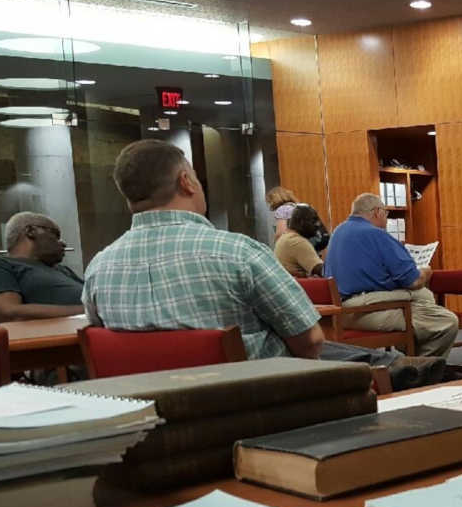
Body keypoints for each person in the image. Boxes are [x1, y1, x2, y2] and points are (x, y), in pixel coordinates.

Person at [84, 141, 328, 361]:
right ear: (186, 182)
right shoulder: (239, 252)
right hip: (258, 401)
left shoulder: (98, 268)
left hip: (148, 406)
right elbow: (311, 342)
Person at [325, 192, 459, 358]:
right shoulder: (376, 234)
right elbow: (413, 280)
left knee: (424, 297)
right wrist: (426, 271)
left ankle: (414, 358)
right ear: (377, 212)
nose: (386, 219)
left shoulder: (337, 233)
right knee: (446, 320)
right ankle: (423, 368)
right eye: (386, 214)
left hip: (339, 312)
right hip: (365, 309)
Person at [0, 211, 85, 322]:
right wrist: (89, 311)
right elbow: (8, 314)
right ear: (31, 231)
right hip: (66, 337)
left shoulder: (63, 270)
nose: (63, 243)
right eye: (55, 235)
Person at [274, 203, 325, 277]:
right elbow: (323, 271)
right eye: (313, 221)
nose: (317, 225)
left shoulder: (286, 237)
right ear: (302, 222)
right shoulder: (297, 242)